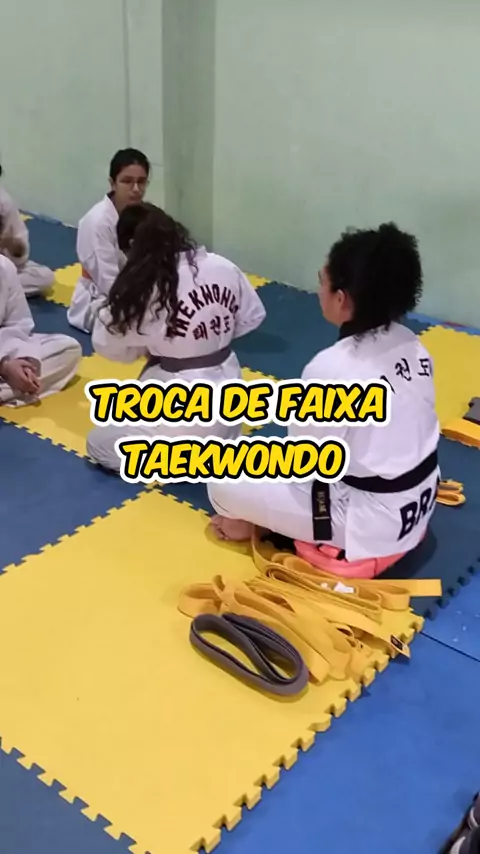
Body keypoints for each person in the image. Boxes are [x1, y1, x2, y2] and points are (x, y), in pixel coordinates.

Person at [208, 223, 440, 565]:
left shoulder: (332, 367)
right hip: (419, 498)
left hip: (371, 524)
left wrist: (263, 511)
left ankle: (267, 527)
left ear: (342, 299)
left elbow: (306, 466)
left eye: (322, 281)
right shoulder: (413, 344)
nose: (319, 290)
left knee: (222, 482)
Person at [86, 202, 267, 472]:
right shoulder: (223, 265)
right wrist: (202, 342)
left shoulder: (150, 287)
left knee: (98, 442)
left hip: (188, 414)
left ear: (134, 246)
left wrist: (158, 345)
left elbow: (106, 344)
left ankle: (180, 458)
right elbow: (252, 317)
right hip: (230, 395)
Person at [67, 148, 150, 333]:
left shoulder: (143, 215)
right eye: (127, 181)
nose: (136, 189)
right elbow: (109, 283)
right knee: (143, 323)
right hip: (99, 300)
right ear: (113, 183)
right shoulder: (97, 222)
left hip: (134, 289)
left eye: (141, 182)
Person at [0, 255, 82, 406]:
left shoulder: (4, 267)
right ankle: (15, 388)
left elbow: (18, 324)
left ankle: (19, 385)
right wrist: (4, 366)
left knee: (68, 348)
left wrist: (19, 359)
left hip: (3, 349)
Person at [0, 164, 55, 298]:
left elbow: (20, 257)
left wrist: (11, 244)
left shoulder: (4, 204)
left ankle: (6, 290)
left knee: (45, 277)